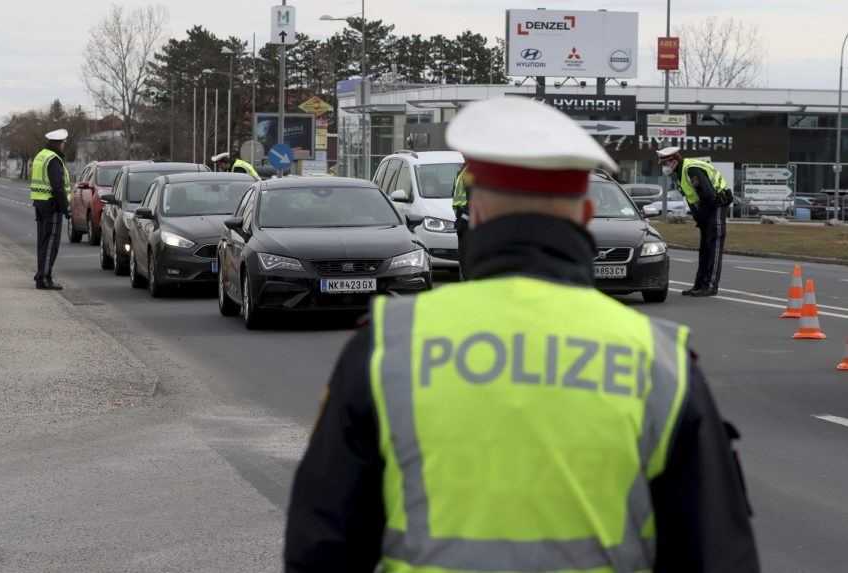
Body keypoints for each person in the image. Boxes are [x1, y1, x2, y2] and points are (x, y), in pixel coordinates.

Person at [284, 97, 760, 573]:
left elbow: (321, 545)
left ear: (480, 212)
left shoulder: (389, 347)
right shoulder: (660, 363)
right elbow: (718, 555)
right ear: (585, 212)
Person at [657, 147, 733, 297]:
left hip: (716, 205)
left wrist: (704, 216)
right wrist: (700, 219)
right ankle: (699, 285)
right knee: (704, 249)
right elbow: (692, 199)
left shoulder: (691, 169)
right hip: (707, 209)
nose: (664, 167)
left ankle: (710, 286)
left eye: (665, 164)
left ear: (673, 161)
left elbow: (708, 195)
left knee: (713, 246)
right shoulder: (680, 173)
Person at [30, 128, 71, 290]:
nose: (64, 147)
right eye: (63, 144)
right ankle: (44, 278)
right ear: (59, 143)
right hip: (52, 205)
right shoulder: (53, 159)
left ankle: (41, 274)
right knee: (50, 245)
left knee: (43, 242)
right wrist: (65, 209)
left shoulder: (41, 155)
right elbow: (58, 187)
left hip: (40, 203)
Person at [452, 163, 469, 279]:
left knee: (467, 256)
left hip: (467, 220)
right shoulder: (462, 170)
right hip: (461, 217)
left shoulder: (471, 171)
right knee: (463, 256)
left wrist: (465, 216)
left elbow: (474, 196)